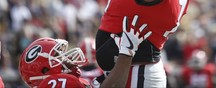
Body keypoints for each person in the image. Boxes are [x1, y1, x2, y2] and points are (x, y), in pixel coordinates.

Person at [18, 15, 152, 88]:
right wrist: (127, 52)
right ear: (44, 70)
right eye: (58, 56)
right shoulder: (56, 82)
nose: (66, 58)